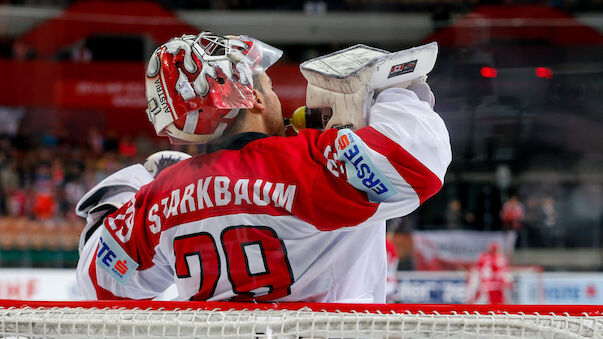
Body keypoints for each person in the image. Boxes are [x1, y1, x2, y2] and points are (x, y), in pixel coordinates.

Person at [75, 32, 451, 302]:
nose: (275, 99)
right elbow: (419, 159)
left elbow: (99, 283)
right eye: (269, 88)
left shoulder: (162, 194)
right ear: (253, 98)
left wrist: (137, 183)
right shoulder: (311, 159)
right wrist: (391, 88)